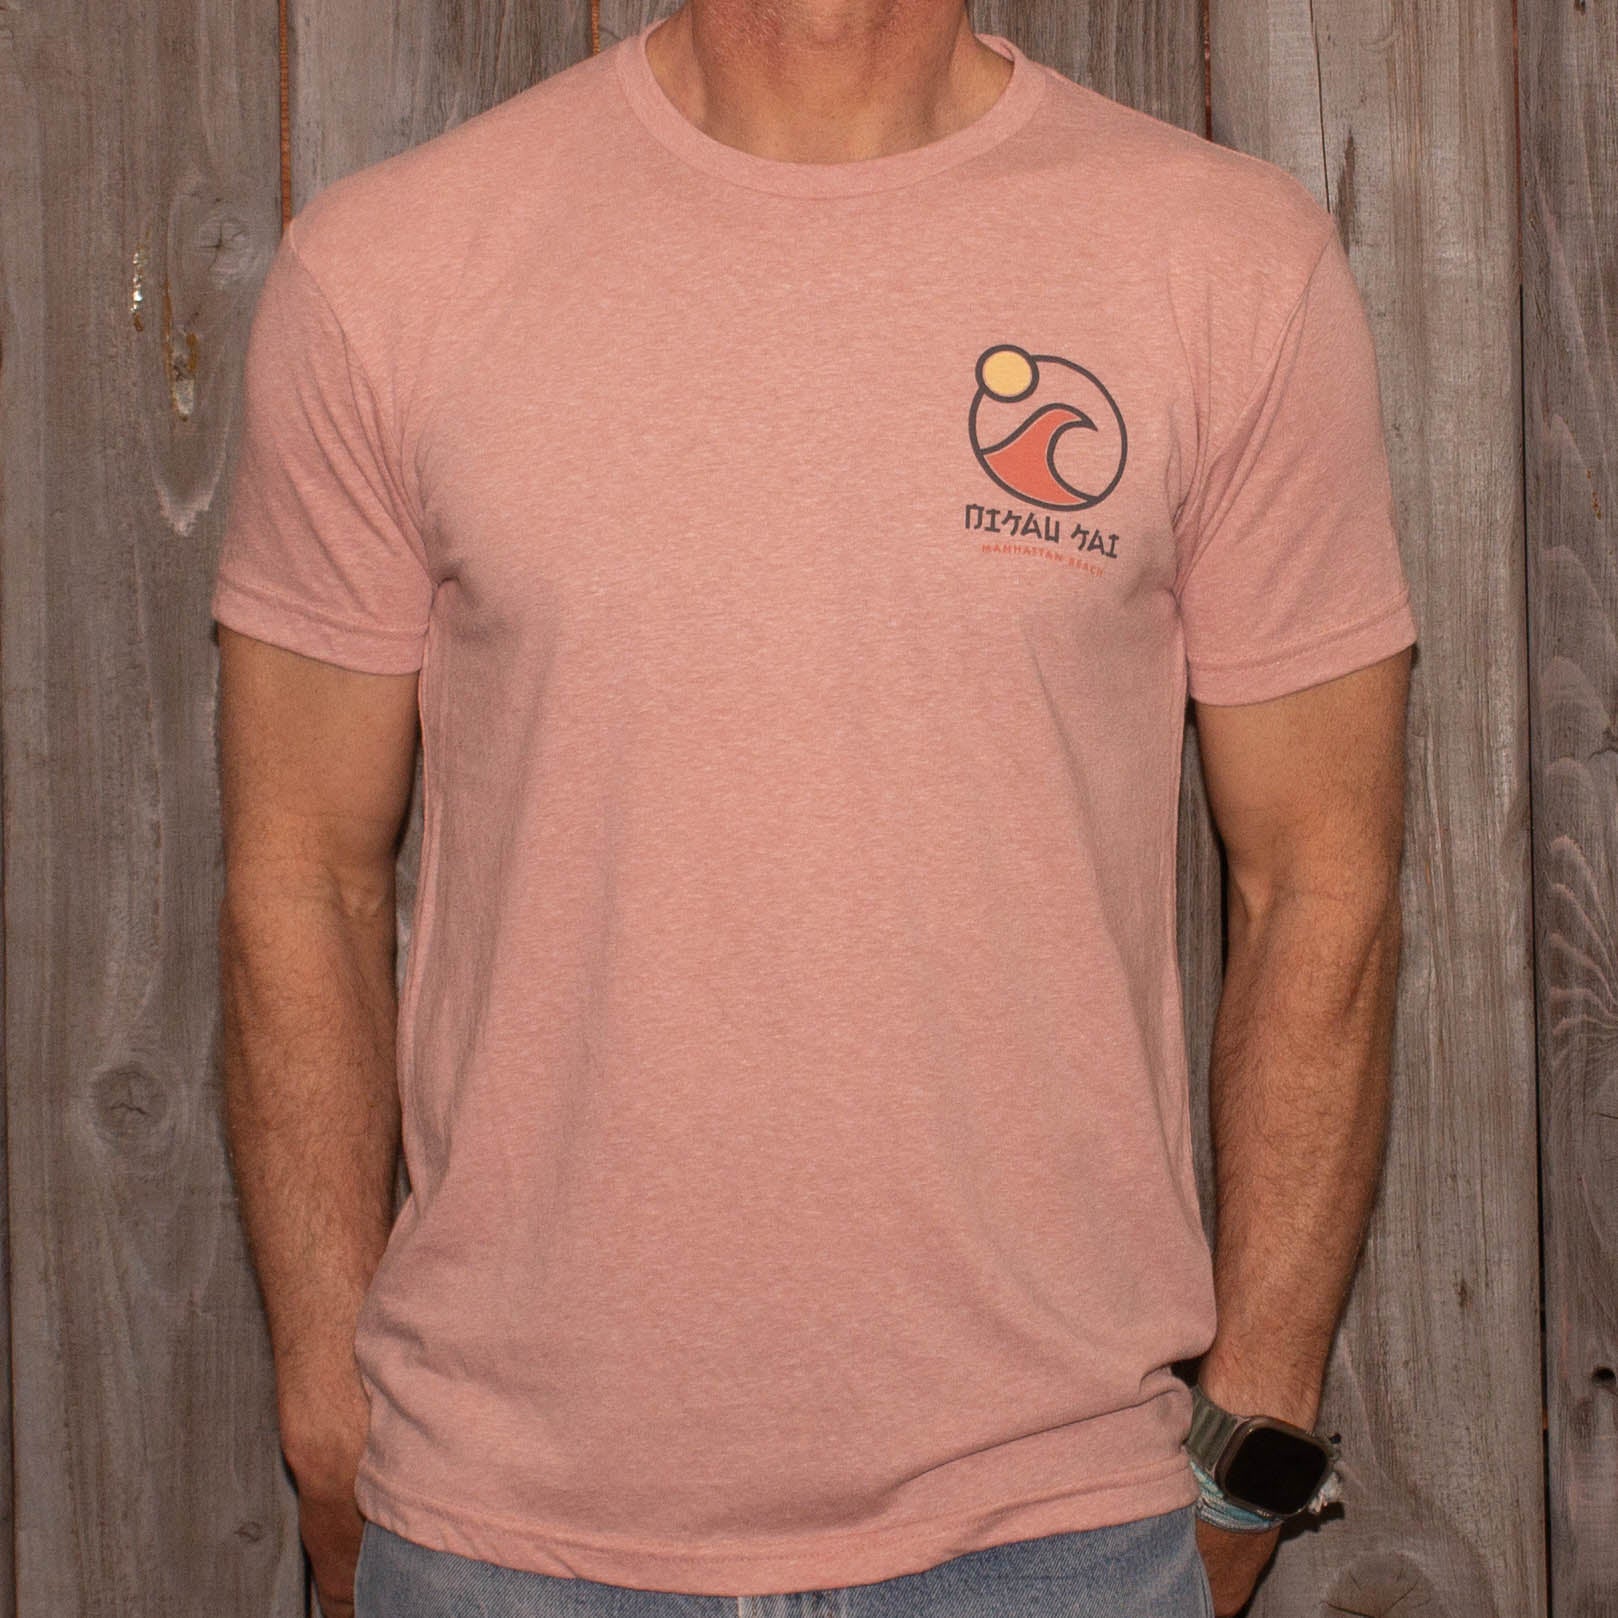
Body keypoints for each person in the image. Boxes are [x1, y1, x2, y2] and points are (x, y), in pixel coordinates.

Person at [210, 2, 1416, 1615]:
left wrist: (1251, 1423)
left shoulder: (1221, 261)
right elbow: (300, 869)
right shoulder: (395, 267)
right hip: (503, 1527)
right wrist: (324, 1399)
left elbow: (1319, 877)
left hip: (1056, 1523)